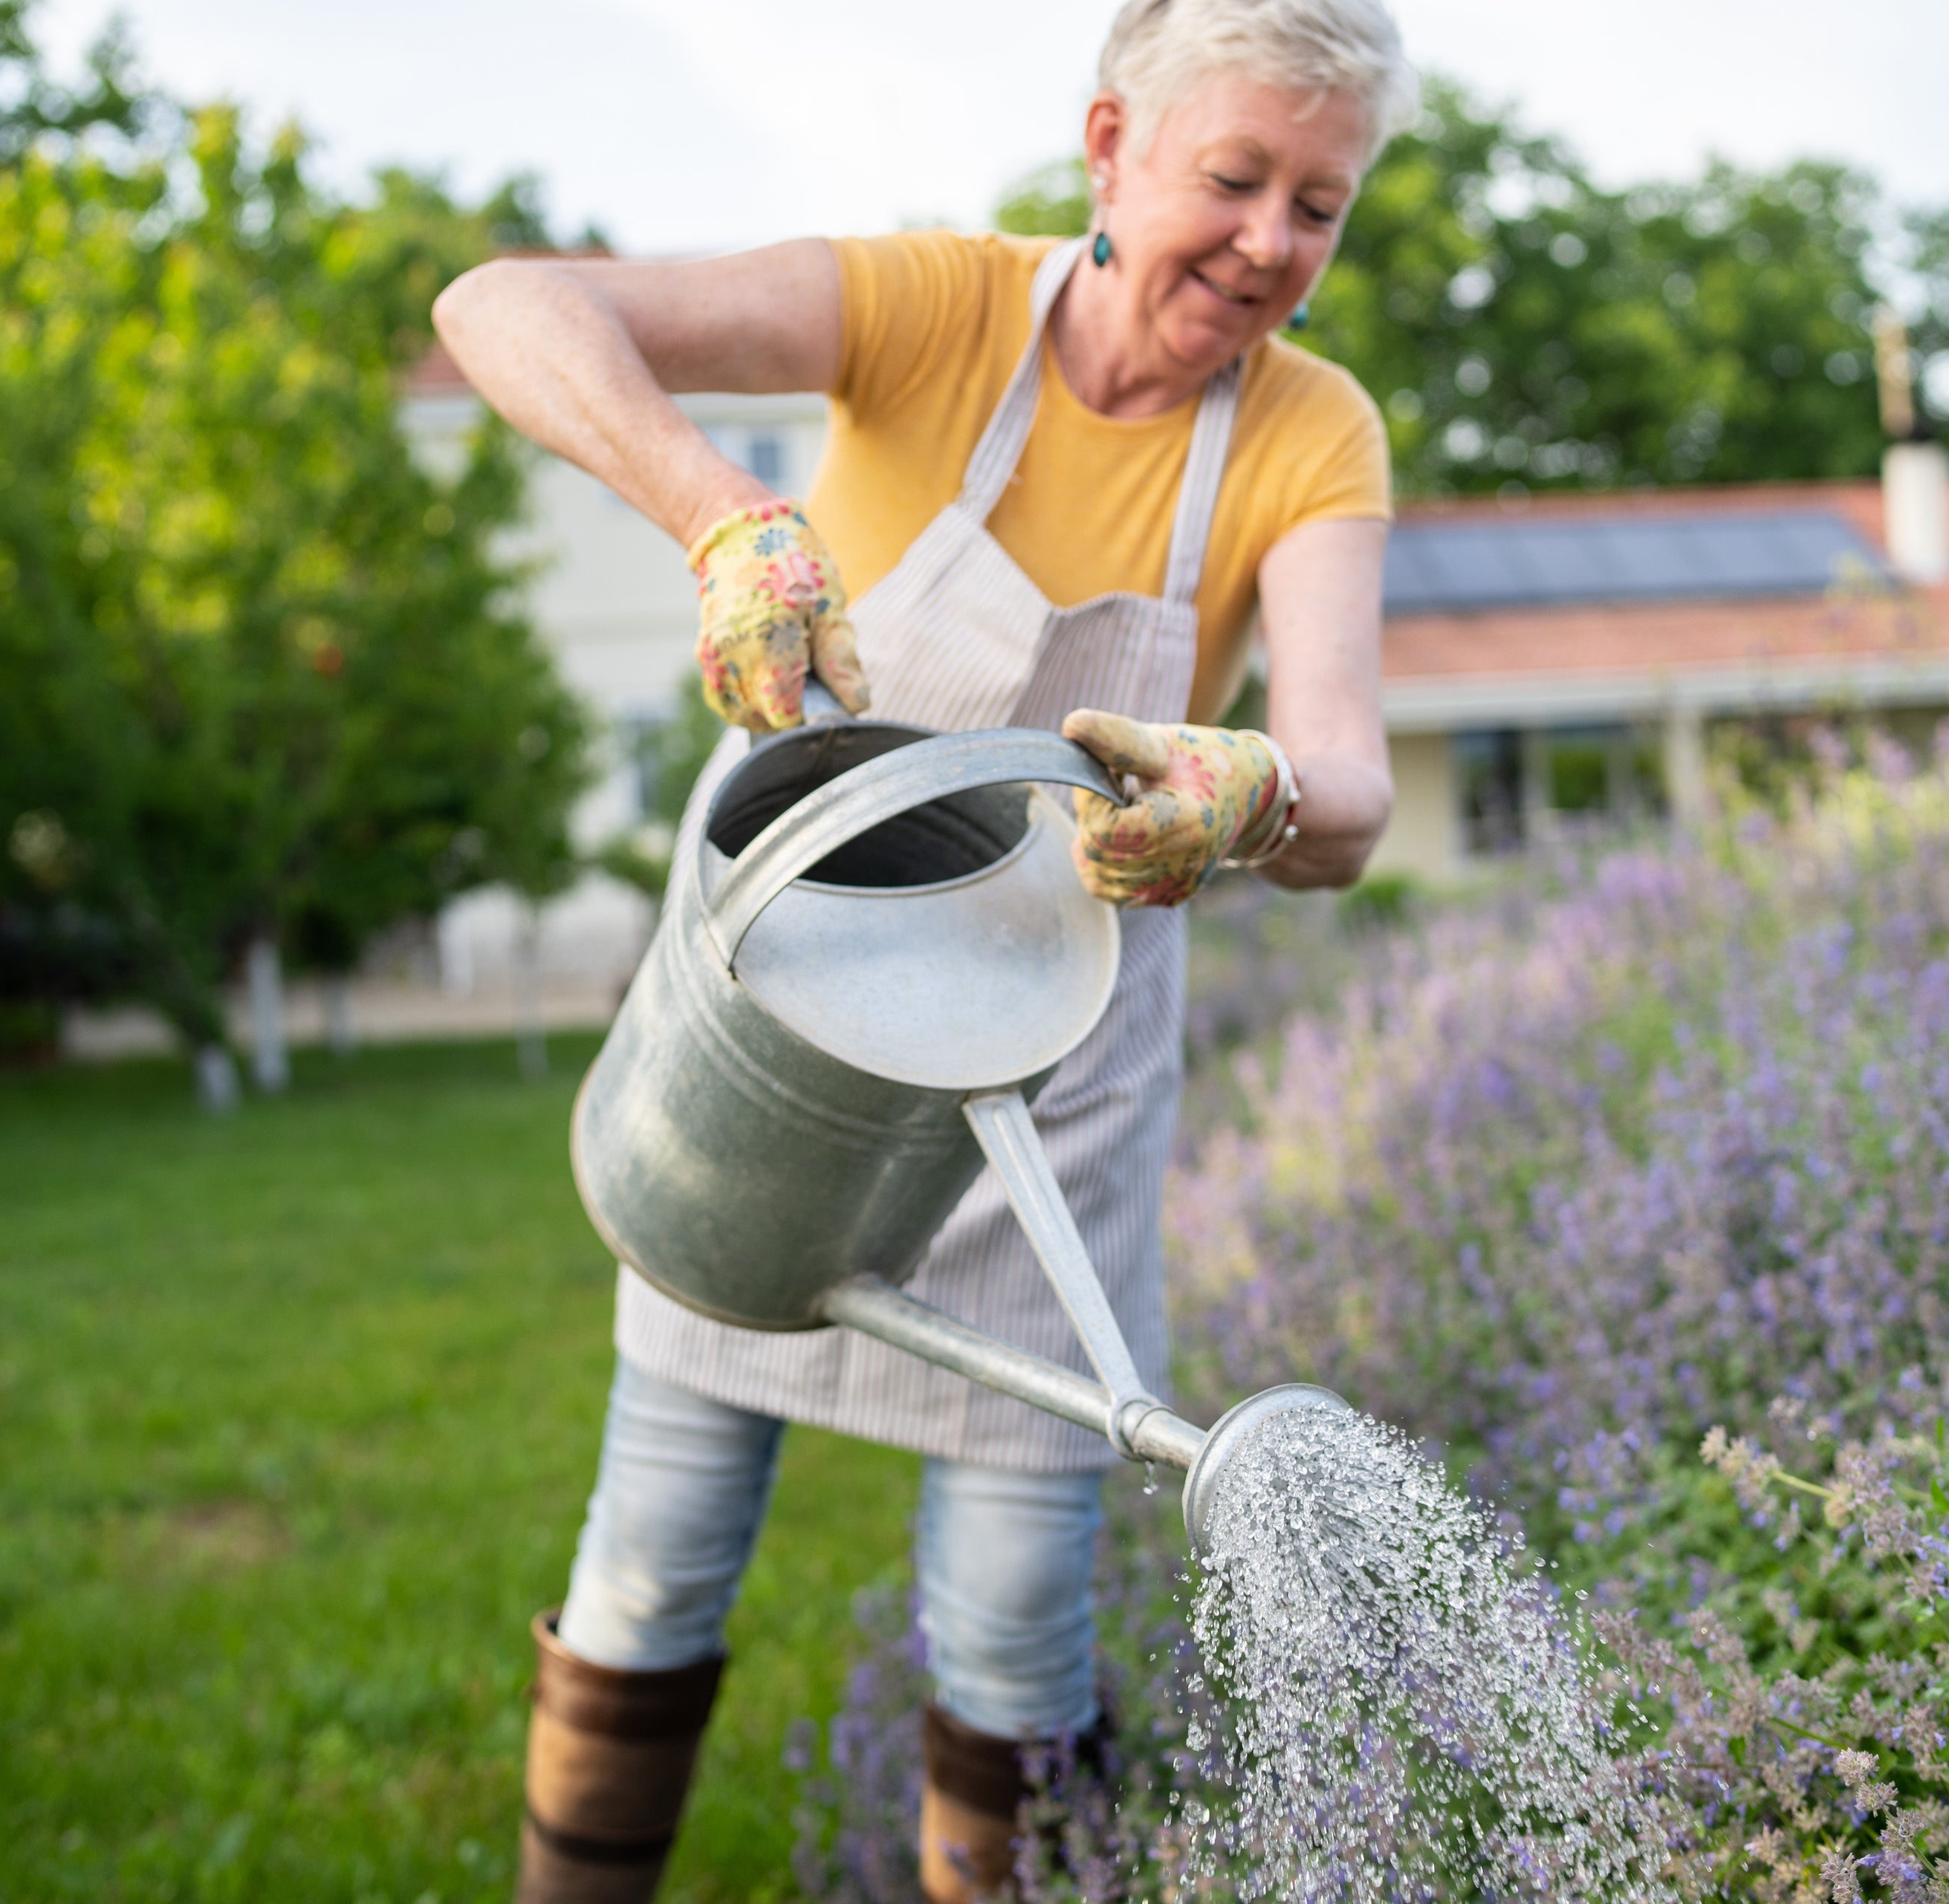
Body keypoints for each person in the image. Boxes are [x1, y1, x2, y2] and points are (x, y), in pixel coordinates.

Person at [434, 1, 1411, 1895]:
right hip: (775, 1064)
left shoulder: (1311, 429)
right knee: (646, 1567)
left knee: (1014, 1636)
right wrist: (721, 517)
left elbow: (1352, 781)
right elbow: (503, 305)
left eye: (1321, 205)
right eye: (1234, 178)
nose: (1273, 242)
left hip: (1056, 1088)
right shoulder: (926, 308)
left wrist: (1258, 790)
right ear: (1110, 143)